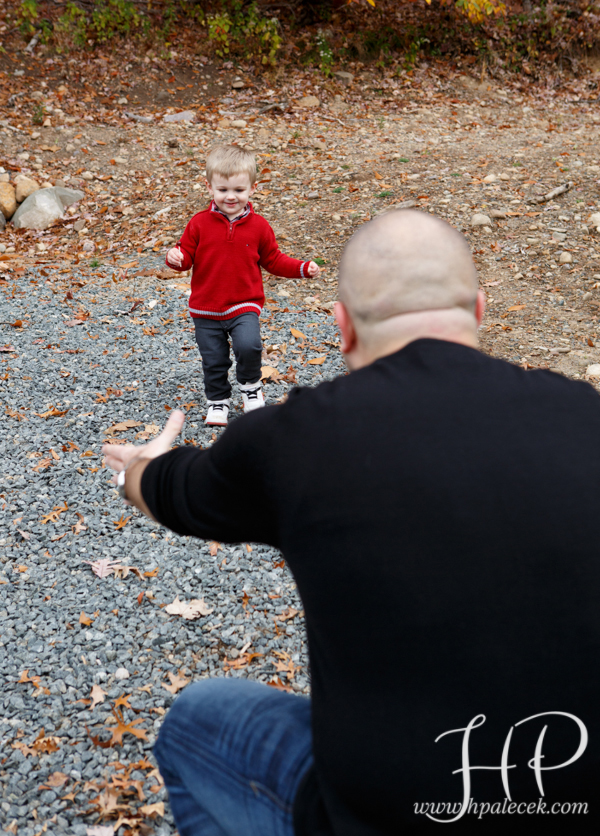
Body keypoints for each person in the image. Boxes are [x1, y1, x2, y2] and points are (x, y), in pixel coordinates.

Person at [103, 210, 600, 834]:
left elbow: (174, 491)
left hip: (371, 815)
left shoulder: (298, 439)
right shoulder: (588, 418)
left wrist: (139, 472)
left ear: (342, 328)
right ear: (478, 309)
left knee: (196, 720)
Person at [165, 144, 320, 426]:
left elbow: (273, 260)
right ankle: (218, 402)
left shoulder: (259, 226)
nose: (231, 197)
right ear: (209, 187)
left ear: (252, 188)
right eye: (223, 190)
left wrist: (301, 268)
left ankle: (250, 388)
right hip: (205, 308)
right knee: (214, 360)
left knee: (249, 346)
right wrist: (175, 258)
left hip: (244, 304)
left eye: (238, 190)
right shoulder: (199, 224)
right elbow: (185, 257)